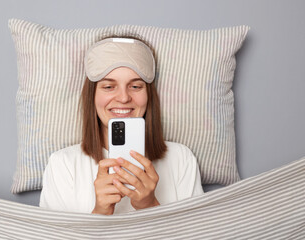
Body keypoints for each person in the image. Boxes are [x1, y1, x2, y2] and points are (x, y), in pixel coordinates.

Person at [39, 37, 203, 215]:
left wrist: (150, 206)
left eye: (135, 86)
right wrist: (100, 213)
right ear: (92, 97)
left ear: (149, 96)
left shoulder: (181, 159)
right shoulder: (63, 165)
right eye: (109, 86)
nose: (124, 98)